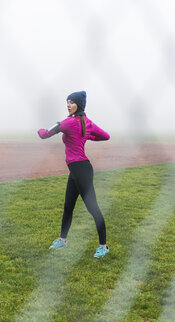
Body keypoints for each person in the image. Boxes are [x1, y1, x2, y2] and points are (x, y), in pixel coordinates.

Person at [38, 91, 111, 258]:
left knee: (93, 208)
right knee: (68, 206)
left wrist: (38, 130)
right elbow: (105, 136)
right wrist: (88, 136)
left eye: (71, 102)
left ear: (79, 104)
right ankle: (62, 240)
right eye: (67, 102)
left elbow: (44, 134)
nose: (68, 105)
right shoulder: (87, 122)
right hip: (77, 170)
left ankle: (103, 246)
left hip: (81, 170)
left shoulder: (69, 122)